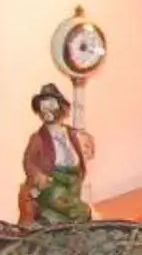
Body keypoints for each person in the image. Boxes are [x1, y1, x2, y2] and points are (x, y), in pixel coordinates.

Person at [18, 82, 95, 224]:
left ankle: (61, 223)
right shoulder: (37, 138)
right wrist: (37, 175)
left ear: (62, 107)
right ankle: (81, 216)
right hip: (53, 181)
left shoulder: (71, 133)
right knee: (64, 202)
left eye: (51, 105)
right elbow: (28, 161)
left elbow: (83, 147)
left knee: (70, 204)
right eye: (43, 106)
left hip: (73, 178)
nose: (47, 110)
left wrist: (87, 147)